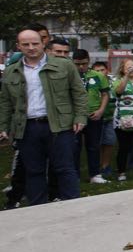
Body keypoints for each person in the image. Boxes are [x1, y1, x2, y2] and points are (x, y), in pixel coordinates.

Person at [0, 28, 88, 205]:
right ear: (18, 46)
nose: (31, 47)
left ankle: (75, 210)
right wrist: (3, 127)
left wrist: (80, 117)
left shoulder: (64, 65)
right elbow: (5, 102)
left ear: (43, 44)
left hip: (59, 126)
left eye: (35, 43)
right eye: (26, 44)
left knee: (65, 169)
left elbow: (79, 93)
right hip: (27, 128)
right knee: (34, 172)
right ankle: (38, 211)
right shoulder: (11, 71)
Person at [72, 49, 110, 184]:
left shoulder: (97, 75)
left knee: (93, 146)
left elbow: (105, 94)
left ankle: (95, 174)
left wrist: (101, 110)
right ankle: (74, 176)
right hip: (75, 117)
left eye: (84, 63)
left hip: (93, 115)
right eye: (77, 64)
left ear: (89, 61)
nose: (81, 67)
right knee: (74, 147)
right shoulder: (70, 74)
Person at [92, 61, 117, 176]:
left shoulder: (112, 83)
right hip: (96, 118)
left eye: (102, 70)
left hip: (110, 118)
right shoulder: (91, 83)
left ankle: (105, 165)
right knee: (96, 144)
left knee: (109, 142)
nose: (100, 72)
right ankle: (96, 167)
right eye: (97, 70)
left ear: (107, 70)